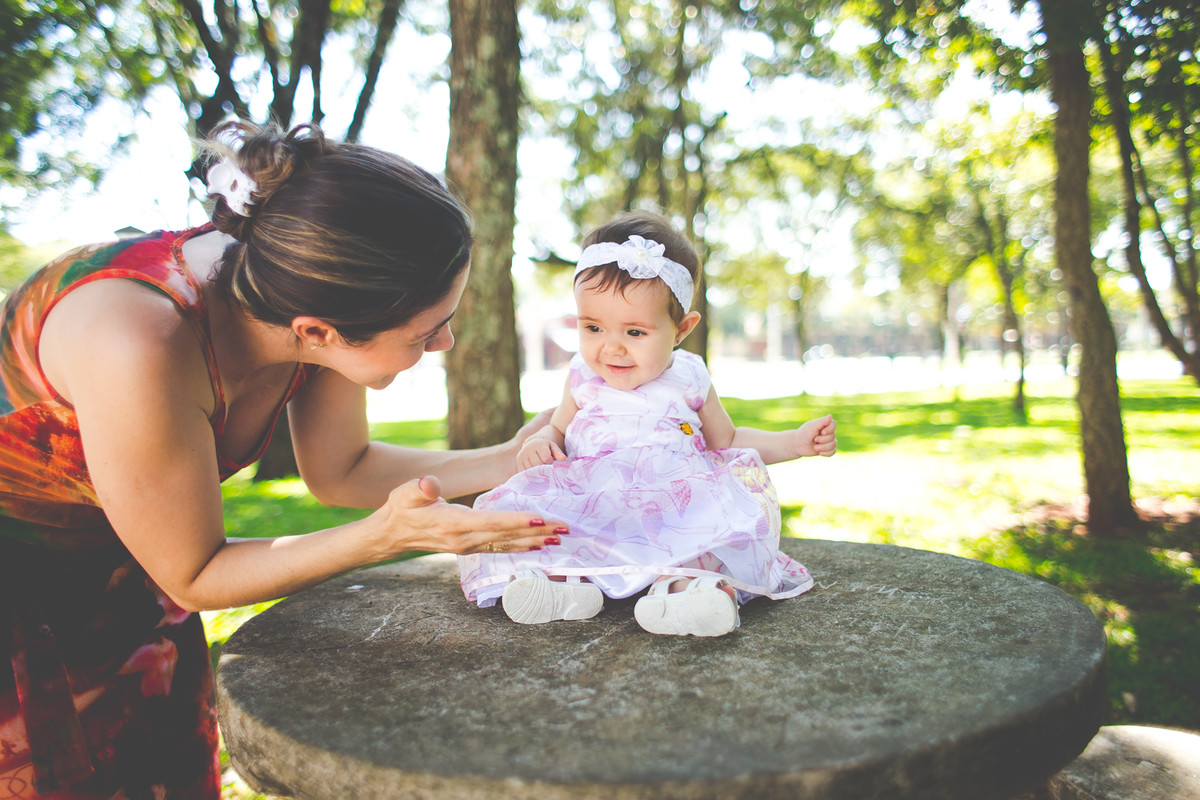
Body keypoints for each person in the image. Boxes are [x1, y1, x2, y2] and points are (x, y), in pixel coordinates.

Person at [0, 121, 561, 799]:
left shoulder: (313, 297)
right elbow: (195, 574)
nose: (447, 341)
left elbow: (341, 467)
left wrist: (511, 457)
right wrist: (387, 535)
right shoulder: (140, 345)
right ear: (319, 332)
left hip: (128, 583)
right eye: (424, 332)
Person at [458, 211, 837, 637]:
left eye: (635, 332)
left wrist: (794, 442)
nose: (611, 347)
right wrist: (543, 440)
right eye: (593, 327)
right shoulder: (582, 375)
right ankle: (565, 587)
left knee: (698, 539)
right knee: (542, 527)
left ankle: (687, 594)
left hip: (672, 501)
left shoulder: (690, 376)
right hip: (594, 501)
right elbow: (558, 429)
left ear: (681, 329)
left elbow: (727, 440)